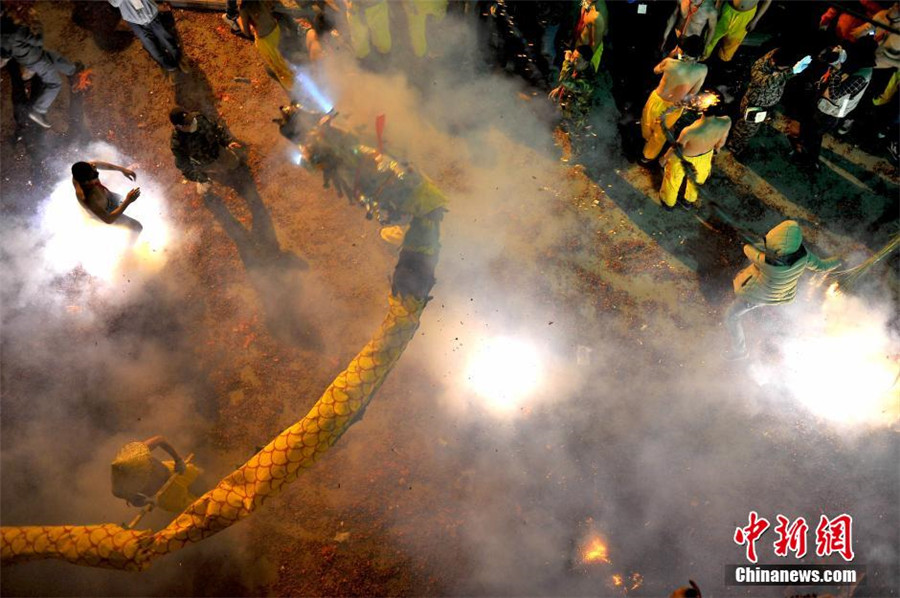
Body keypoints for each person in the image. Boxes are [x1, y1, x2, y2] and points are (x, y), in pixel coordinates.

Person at [725, 220, 841, 359]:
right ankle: (766, 317)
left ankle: (740, 351)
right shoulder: (803, 255)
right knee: (749, 279)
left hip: (757, 296)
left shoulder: (768, 263)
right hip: (783, 295)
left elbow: (748, 249)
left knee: (731, 316)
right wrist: (839, 260)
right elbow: (822, 266)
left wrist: (760, 244)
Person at [794, 40, 876, 168]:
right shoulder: (858, 65)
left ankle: (809, 160)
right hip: (823, 104)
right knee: (809, 129)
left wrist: (837, 70)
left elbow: (835, 94)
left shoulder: (861, 76)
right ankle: (803, 148)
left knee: (814, 136)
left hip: (830, 112)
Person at [2, 4, 83, 129]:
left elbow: (5, 54)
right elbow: (38, 40)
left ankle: (72, 70)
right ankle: (39, 110)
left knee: (55, 58)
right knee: (55, 83)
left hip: (30, 57)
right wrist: (36, 22)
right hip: (36, 60)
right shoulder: (17, 30)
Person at [640, 35, 708, 162]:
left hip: (657, 100)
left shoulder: (670, 63)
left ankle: (646, 139)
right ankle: (647, 156)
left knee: (647, 122)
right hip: (674, 107)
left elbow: (655, 70)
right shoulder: (702, 70)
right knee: (660, 134)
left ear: (681, 50)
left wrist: (671, 56)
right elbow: (694, 92)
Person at [727, 46, 806, 154]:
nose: (774, 65)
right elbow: (766, 81)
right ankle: (735, 147)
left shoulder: (779, 57)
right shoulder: (759, 68)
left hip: (767, 105)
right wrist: (790, 72)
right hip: (754, 106)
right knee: (745, 130)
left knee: (752, 125)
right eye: (781, 68)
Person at [660, 104, 730, 208]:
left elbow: (676, 148)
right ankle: (688, 201)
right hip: (705, 156)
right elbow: (721, 142)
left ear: (702, 109)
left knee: (673, 181)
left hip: (684, 160)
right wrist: (717, 149)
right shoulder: (726, 122)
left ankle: (668, 203)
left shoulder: (690, 131)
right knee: (696, 181)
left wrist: (665, 158)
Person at [111, 436, 201, 513]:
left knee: (200, 482)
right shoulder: (119, 489)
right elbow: (134, 500)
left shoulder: (137, 454)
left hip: (173, 471)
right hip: (166, 496)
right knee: (198, 509)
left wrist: (178, 460)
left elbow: (160, 439)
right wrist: (145, 501)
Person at [169, 106, 243, 193]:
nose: (193, 123)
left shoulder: (199, 118)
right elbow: (184, 166)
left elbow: (216, 128)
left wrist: (228, 142)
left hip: (218, 151)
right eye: (187, 124)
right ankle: (204, 185)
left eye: (191, 119)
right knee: (205, 187)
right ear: (179, 127)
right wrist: (199, 177)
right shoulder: (178, 143)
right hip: (205, 164)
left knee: (234, 163)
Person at [108, 0, 185, 75]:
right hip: (135, 20)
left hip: (150, 12)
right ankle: (170, 68)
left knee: (164, 37)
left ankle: (179, 59)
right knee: (151, 45)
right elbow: (114, 3)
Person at [71, 161, 143, 237]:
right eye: (90, 181)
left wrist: (122, 170)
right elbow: (108, 219)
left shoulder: (87, 170)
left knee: (131, 205)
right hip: (107, 211)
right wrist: (128, 201)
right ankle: (128, 248)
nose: (94, 181)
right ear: (83, 182)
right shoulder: (87, 198)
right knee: (137, 227)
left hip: (109, 196)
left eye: (95, 175)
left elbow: (97, 164)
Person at [240, 0, 295, 92]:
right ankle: (298, 76)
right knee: (285, 58)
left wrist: (239, 21)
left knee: (279, 68)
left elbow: (246, 33)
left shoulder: (244, 8)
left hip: (266, 40)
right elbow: (271, 7)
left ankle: (294, 90)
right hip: (276, 30)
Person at [549, 45, 598, 134]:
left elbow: (565, 80)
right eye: (572, 57)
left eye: (577, 60)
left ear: (586, 63)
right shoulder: (582, 66)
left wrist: (567, 61)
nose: (573, 61)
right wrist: (560, 88)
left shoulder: (587, 82)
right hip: (566, 108)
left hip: (573, 122)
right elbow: (570, 80)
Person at [702, 0, 771, 63]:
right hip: (728, 10)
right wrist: (718, 8)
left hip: (746, 16)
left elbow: (767, 1)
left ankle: (723, 59)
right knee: (713, 34)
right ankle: (704, 55)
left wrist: (755, 20)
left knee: (734, 40)